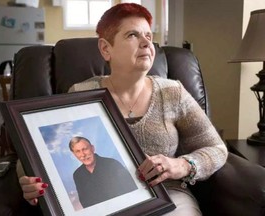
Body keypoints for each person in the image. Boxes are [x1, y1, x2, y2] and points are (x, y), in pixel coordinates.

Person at [18, 3, 228, 215]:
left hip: (167, 195)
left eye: (148, 35)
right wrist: (27, 180)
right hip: (108, 201)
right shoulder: (81, 93)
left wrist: (181, 165)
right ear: (105, 48)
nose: (147, 42)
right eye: (132, 35)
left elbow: (217, 149)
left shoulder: (172, 92)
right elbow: (34, 153)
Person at [69, 136, 137, 208]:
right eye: (78, 151)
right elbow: (85, 202)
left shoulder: (112, 164)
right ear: (74, 155)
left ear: (92, 148)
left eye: (85, 149)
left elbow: (132, 190)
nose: (83, 154)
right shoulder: (77, 175)